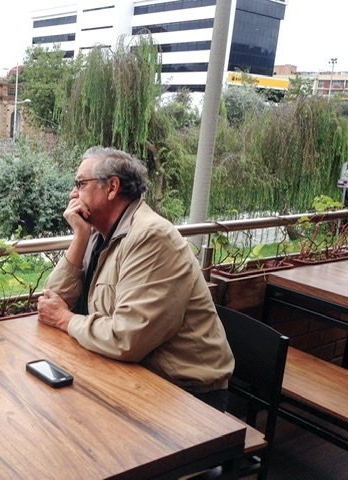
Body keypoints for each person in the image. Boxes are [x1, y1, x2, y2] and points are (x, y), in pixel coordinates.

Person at [37, 146, 234, 411]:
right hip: (131, 372)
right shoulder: (98, 233)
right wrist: (80, 237)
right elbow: (54, 300)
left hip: (183, 393)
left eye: (81, 184)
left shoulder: (151, 237)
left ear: (112, 188)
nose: (73, 194)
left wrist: (66, 319)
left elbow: (127, 338)